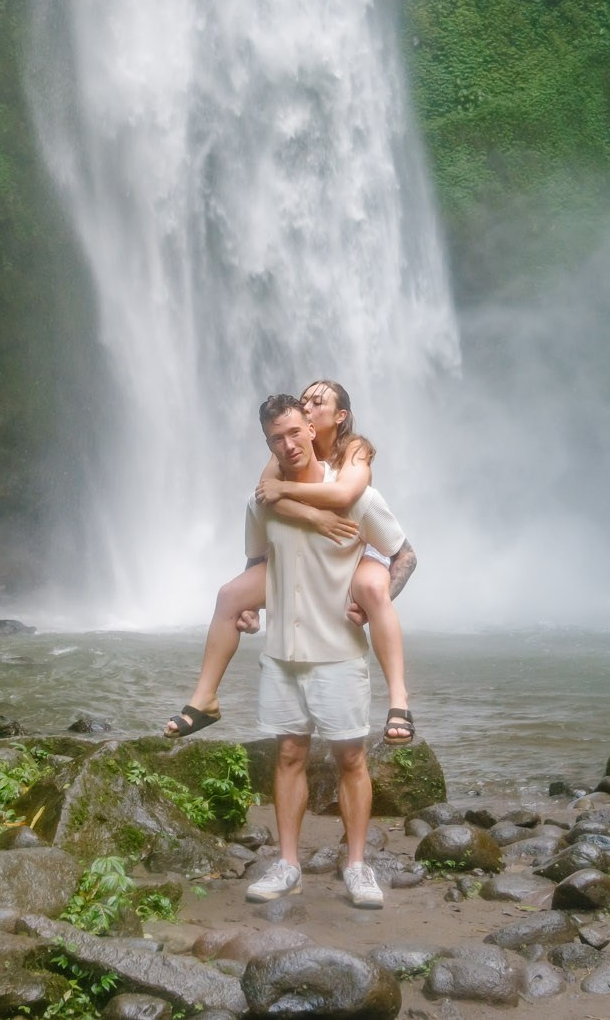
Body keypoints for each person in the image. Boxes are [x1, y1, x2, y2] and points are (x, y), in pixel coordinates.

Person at [162, 380, 417, 745]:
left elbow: (345, 494)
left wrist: (290, 494)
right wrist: (311, 518)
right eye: (305, 400)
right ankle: (205, 699)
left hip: (356, 542)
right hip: (301, 545)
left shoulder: (354, 448)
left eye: (317, 403)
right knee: (230, 595)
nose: (308, 406)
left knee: (373, 589)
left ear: (336, 418)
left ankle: (399, 701)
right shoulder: (285, 446)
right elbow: (265, 498)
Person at [239, 393, 416, 909]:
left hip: (337, 651)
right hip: (282, 651)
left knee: (350, 756)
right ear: (268, 443)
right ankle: (288, 863)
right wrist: (247, 609)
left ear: (312, 430)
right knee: (289, 753)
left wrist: (376, 596)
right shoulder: (261, 503)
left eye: (296, 432)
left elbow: (403, 551)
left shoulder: (357, 499)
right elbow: (255, 564)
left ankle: (357, 865)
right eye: (277, 438)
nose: (289, 443)